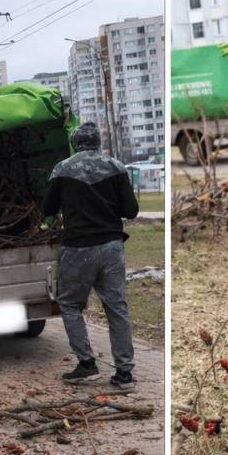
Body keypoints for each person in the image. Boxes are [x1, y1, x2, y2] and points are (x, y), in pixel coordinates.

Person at [40, 122, 139, 390]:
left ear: (75, 143)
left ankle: (86, 363)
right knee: (116, 308)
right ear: (98, 142)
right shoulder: (116, 167)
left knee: (70, 304)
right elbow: (131, 211)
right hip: (111, 247)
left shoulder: (63, 169)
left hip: (78, 249)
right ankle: (124, 374)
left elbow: (47, 208)